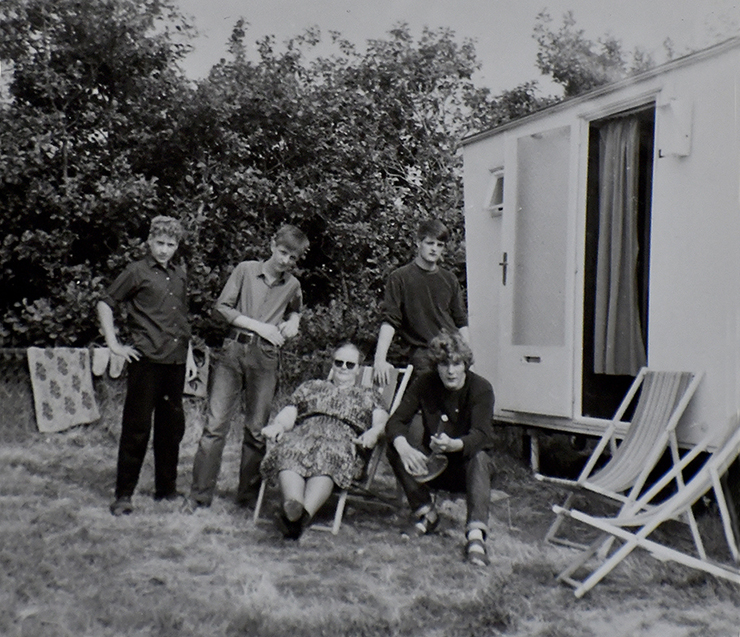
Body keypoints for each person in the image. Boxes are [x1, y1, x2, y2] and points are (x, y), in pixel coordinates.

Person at [187, 224, 309, 511]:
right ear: (271, 245)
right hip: (233, 352)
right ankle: (199, 496)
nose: (285, 261)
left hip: (266, 358)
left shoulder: (292, 285)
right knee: (215, 425)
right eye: (282, 253)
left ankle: (247, 499)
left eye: (292, 258)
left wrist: (293, 323)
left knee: (257, 430)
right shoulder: (245, 270)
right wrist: (261, 327)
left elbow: (296, 311)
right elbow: (223, 308)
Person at [97, 215, 194, 516]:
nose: (164, 250)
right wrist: (113, 344)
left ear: (177, 246)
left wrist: (189, 358)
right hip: (146, 362)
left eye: (170, 244)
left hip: (175, 363)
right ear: (150, 242)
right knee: (137, 429)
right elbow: (105, 302)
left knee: (171, 429)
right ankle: (123, 494)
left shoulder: (180, 273)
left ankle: (166, 490)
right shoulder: (136, 272)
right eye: (160, 243)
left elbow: (182, 321)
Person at [385, 330, 495, 566]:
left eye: (456, 363)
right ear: (436, 365)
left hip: (465, 470)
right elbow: (395, 421)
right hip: (432, 467)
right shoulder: (425, 383)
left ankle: (475, 537)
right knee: (394, 446)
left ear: (466, 364)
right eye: (444, 364)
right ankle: (427, 514)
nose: (451, 371)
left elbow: (482, 435)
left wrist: (455, 444)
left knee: (481, 458)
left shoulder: (481, 389)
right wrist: (404, 447)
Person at [260, 342, 389, 539]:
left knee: (328, 456)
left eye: (350, 364)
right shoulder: (312, 386)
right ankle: (294, 512)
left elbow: (381, 422)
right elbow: (290, 412)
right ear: (332, 364)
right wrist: (278, 425)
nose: (343, 367)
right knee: (289, 449)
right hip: (304, 433)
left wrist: (373, 433)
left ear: (358, 370)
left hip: (343, 440)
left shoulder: (369, 395)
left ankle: (297, 518)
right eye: (339, 362)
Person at [373, 219, 469, 385]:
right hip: (423, 352)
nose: (434, 249)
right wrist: (379, 359)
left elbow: (461, 321)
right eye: (430, 243)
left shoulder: (449, 279)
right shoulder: (400, 277)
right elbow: (390, 320)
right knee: (430, 401)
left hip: (452, 350)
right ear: (418, 243)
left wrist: (468, 357)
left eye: (439, 245)